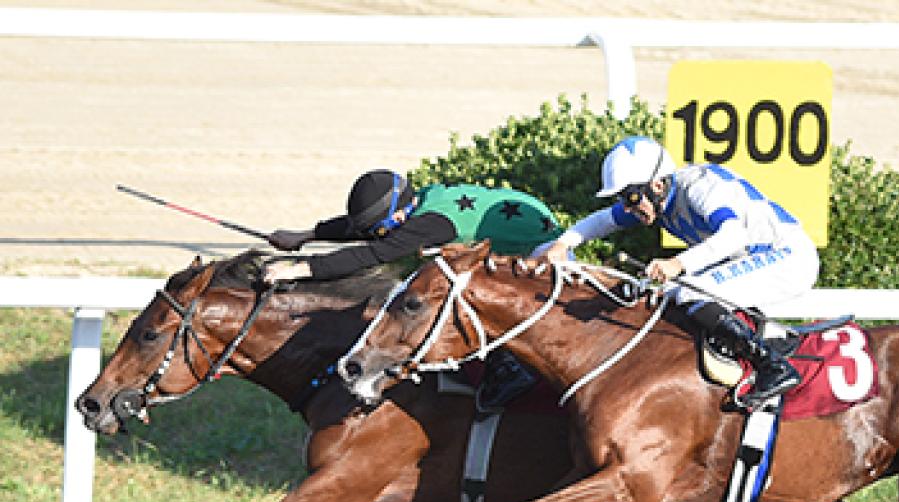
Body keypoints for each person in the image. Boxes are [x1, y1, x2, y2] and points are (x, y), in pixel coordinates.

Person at [541, 136, 819, 408]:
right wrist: (562, 245)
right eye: (622, 198)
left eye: (631, 197)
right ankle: (763, 344)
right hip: (756, 258)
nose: (626, 207)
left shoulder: (699, 188)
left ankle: (773, 366)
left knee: (689, 292)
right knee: (667, 292)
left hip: (787, 258)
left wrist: (678, 263)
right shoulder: (657, 199)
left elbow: (733, 235)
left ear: (657, 184)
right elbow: (604, 219)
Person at [263, 169, 563, 412]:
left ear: (398, 216)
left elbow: (373, 253)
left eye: (382, 228)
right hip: (510, 228)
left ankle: (512, 371)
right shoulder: (416, 203)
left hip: (542, 251)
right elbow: (363, 229)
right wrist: (305, 235)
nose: (380, 234)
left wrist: (301, 268)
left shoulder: (433, 223)